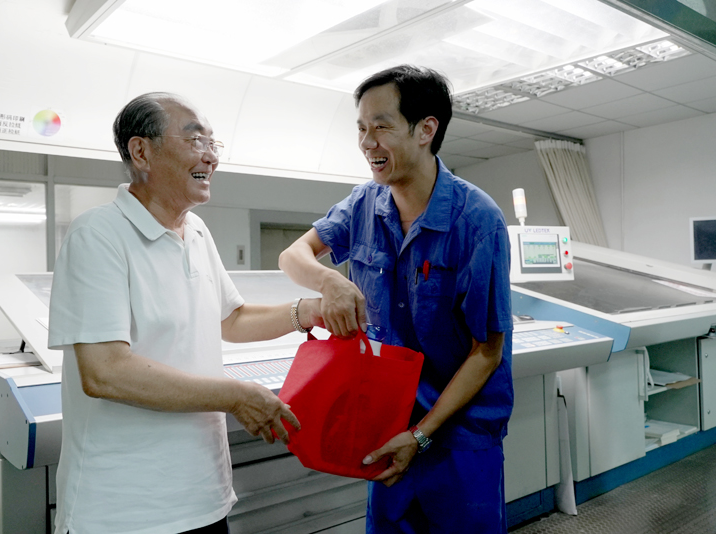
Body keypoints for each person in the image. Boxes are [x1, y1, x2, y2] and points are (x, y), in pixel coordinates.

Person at [48, 92, 322, 534]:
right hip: (126, 512)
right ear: (142, 152)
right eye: (196, 140)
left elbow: (231, 320)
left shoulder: (195, 230)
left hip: (204, 498)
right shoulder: (97, 235)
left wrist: (306, 311)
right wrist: (235, 396)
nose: (210, 156)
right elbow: (105, 372)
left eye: (213, 143)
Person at [279, 65, 514, 533]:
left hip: (458, 435)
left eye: (381, 127)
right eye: (361, 129)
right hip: (387, 426)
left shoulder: (476, 221)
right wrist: (330, 283)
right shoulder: (364, 204)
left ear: (426, 130)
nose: (367, 143)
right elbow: (293, 255)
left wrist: (420, 436)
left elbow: (486, 351)